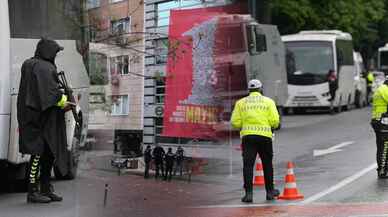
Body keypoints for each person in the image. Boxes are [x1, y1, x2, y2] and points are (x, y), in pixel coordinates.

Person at [17, 38, 71, 203]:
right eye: (54, 52)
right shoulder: (44, 68)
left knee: (46, 153)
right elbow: (50, 95)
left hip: (32, 116)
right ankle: (33, 191)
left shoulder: (30, 63)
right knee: (39, 154)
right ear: (48, 52)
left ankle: (45, 188)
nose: (55, 55)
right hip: (40, 119)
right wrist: (65, 102)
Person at [231, 79, 280, 202]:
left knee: (248, 165)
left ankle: (248, 194)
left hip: (248, 138)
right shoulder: (269, 102)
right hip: (265, 137)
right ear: (261, 89)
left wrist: (244, 125)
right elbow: (275, 121)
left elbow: (235, 122)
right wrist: (271, 126)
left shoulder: (240, 103)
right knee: (267, 164)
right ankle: (270, 192)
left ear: (249, 90)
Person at [371, 76, 388, 178]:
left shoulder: (381, 88)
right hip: (383, 121)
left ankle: (383, 169)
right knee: (384, 146)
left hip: (378, 120)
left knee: (382, 146)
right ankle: (382, 171)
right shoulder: (385, 90)